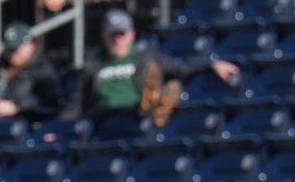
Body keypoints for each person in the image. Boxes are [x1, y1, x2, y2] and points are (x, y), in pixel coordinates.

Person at [65, 8, 240, 130]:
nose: (117, 40)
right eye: (112, 35)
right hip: (103, 121)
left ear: (131, 34)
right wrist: (59, 128)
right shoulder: (93, 65)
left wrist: (211, 65)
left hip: (136, 118)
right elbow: (77, 103)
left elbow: (181, 69)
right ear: (103, 36)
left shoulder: (146, 58)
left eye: (121, 34)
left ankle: (153, 107)